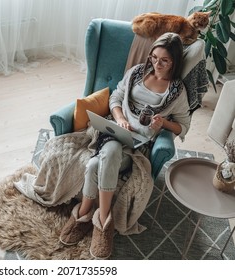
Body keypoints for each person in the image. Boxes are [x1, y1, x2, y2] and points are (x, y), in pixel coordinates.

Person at [58, 32, 191, 259]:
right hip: (114, 130)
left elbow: (184, 126)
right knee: (109, 150)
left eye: (164, 61)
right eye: (154, 57)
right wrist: (119, 118)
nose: (156, 64)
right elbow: (115, 98)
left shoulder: (176, 91)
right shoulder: (137, 72)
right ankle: (102, 222)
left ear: (174, 62)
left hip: (138, 146)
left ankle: (84, 215)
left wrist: (164, 122)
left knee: (92, 167)